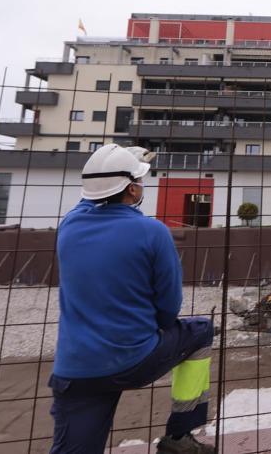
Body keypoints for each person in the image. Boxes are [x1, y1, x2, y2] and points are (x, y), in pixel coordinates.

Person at [49, 144, 216, 454]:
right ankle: (179, 437)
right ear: (131, 189)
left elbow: (90, 199)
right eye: (139, 180)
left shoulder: (69, 226)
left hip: (76, 369)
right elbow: (169, 307)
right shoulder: (152, 232)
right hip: (133, 357)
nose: (142, 185)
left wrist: (118, 163)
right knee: (201, 331)